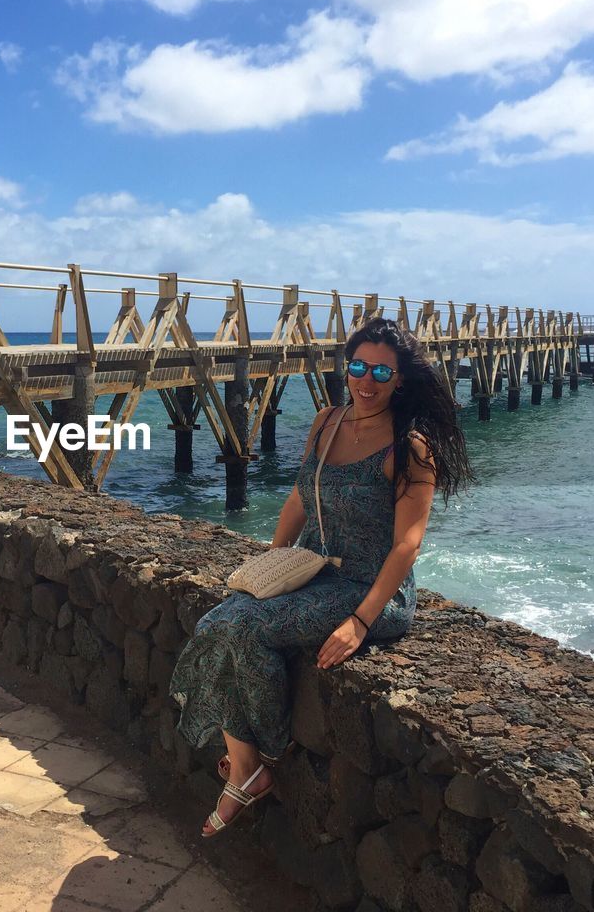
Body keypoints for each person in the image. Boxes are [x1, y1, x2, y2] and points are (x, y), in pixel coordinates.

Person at [169, 317, 474, 837]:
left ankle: (258, 761)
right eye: (358, 366)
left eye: (382, 371)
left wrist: (360, 622)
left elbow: (407, 544)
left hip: (367, 588)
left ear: (400, 379)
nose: (368, 380)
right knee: (216, 620)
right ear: (345, 368)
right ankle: (247, 765)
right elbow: (297, 498)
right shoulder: (327, 421)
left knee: (243, 628)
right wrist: (269, 563)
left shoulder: (410, 446)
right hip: (311, 570)